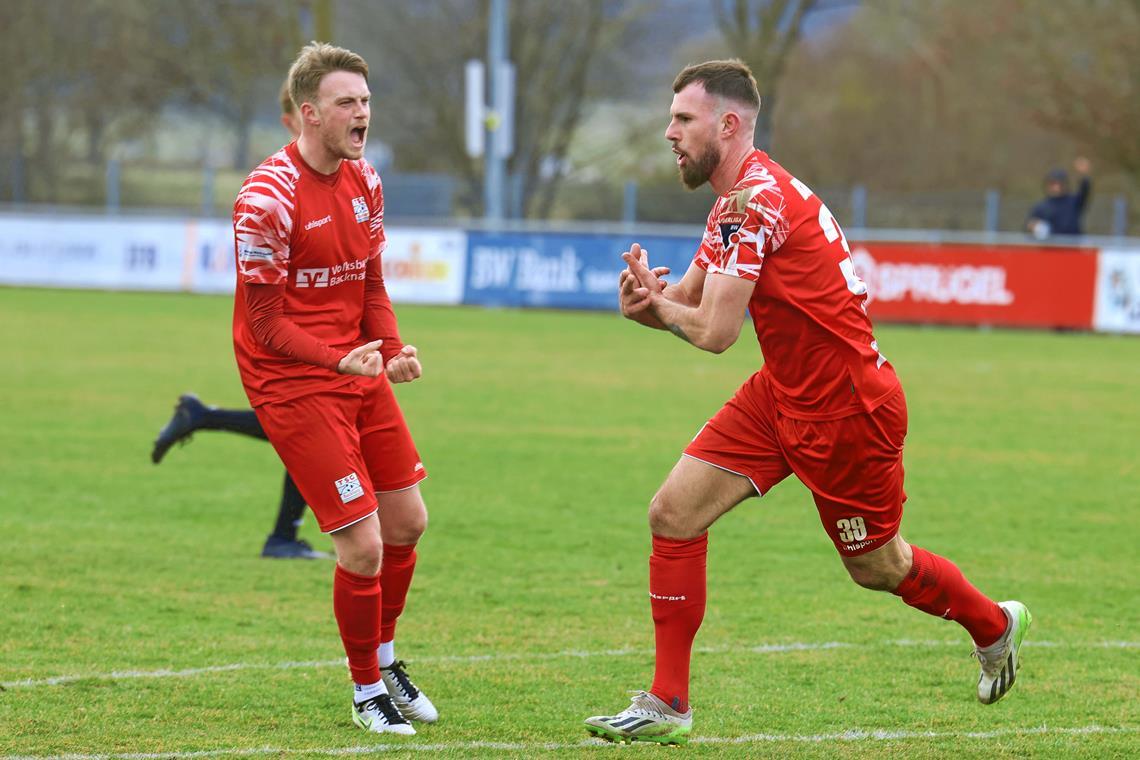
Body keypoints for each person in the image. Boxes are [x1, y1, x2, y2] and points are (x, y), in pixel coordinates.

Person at [583, 60, 1031, 746]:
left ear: (727, 125)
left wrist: (666, 314)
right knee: (672, 514)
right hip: (783, 392)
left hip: (846, 410)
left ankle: (995, 626)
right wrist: (649, 304)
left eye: (683, 120)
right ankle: (667, 701)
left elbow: (714, 333)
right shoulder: (736, 199)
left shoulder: (752, 202)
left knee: (877, 567)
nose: (668, 133)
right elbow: (692, 308)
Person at [232, 42, 436, 734]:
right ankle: (363, 693)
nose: (363, 114)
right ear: (308, 115)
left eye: (368, 102)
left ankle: (383, 657)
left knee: (409, 522)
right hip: (291, 381)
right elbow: (263, 325)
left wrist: (393, 347)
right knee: (364, 545)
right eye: (348, 103)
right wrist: (337, 360)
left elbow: (370, 282)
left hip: (354, 367)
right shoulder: (266, 199)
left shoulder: (366, 182)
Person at [152, 82, 327, 560]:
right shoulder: (277, 188)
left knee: (308, 431)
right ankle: (283, 537)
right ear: (298, 120)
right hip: (290, 329)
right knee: (312, 431)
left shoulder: (322, 179)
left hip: (311, 325)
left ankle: (202, 419)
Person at [1026, 157, 1092, 238]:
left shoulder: (1074, 202)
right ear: (1047, 185)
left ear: (1065, 185)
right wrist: (1033, 227)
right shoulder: (1041, 207)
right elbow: (1029, 225)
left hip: (1074, 247)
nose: (1056, 187)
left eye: (1060, 184)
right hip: (1050, 248)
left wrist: (1084, 175)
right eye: (1053, 184)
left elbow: (1085, 191)